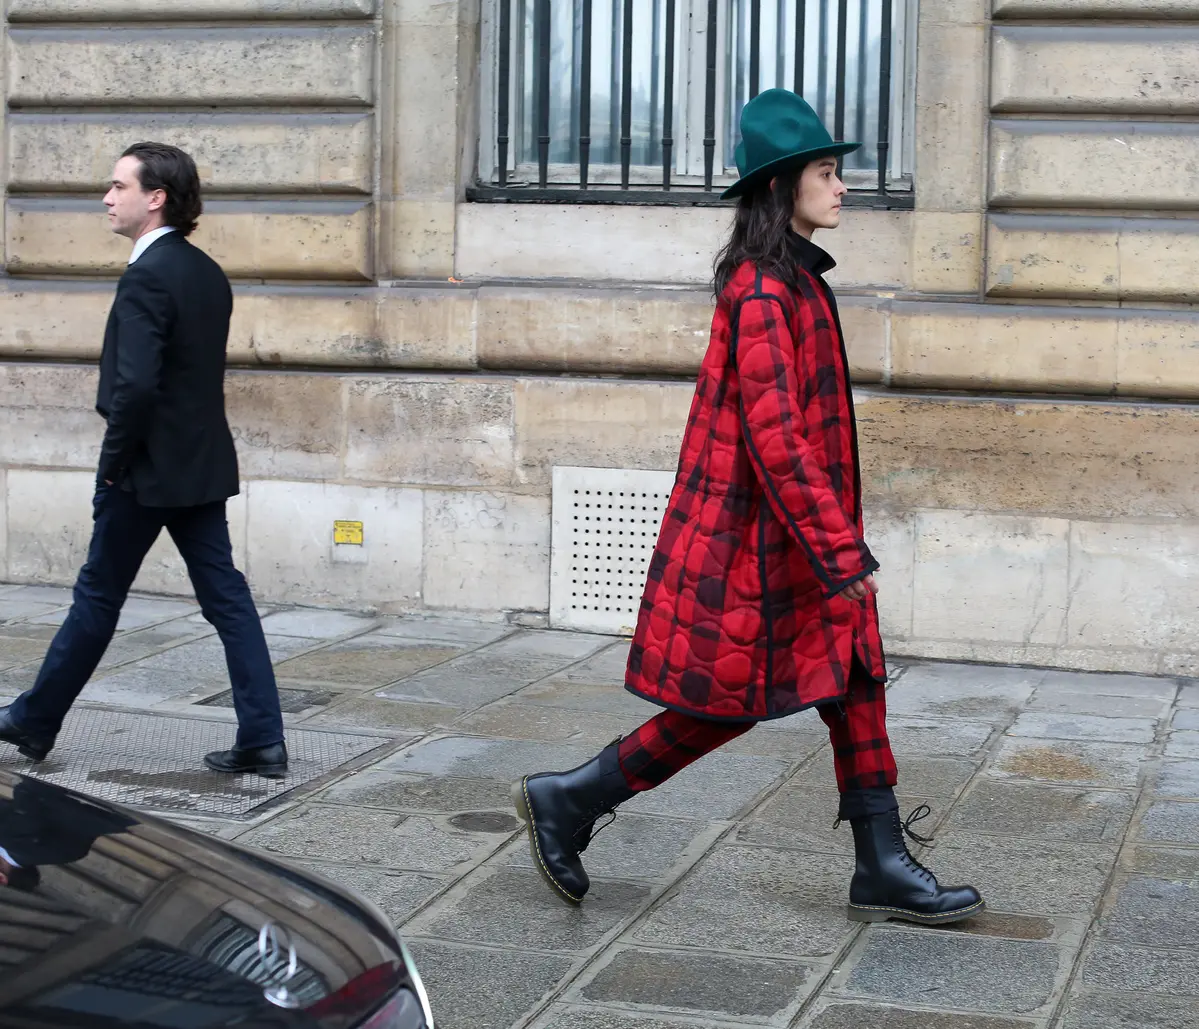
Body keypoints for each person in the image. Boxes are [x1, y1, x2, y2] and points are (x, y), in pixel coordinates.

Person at [513, 90, 984, 926]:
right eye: (827, 174)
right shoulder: (764, 293)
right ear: (780, 187)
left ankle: (878, 858)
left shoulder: (797, 282)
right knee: (726, 706)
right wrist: (841, 555)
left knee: (855, 677)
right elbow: (777, 439)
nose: (843, 188)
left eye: (840, 173)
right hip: (758, 544)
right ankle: (571, 796)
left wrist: (836, 545)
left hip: (797, 536)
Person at [0, 143, 288, 778]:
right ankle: (263, 737)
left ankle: (33, 718)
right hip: (200, 467)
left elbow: (135, 388)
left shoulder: (147, 275)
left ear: (154, 198)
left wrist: (111, 467)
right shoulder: (206, 271)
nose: (106, 198)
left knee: (98, 596)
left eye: (117, 186)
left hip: (146, 469)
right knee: (228, 600)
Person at [0, 775, 136, 892]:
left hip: (124, 808)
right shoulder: (14, 844)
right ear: (2, 877)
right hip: (95, 783)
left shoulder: (51, 856)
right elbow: (30, 798)